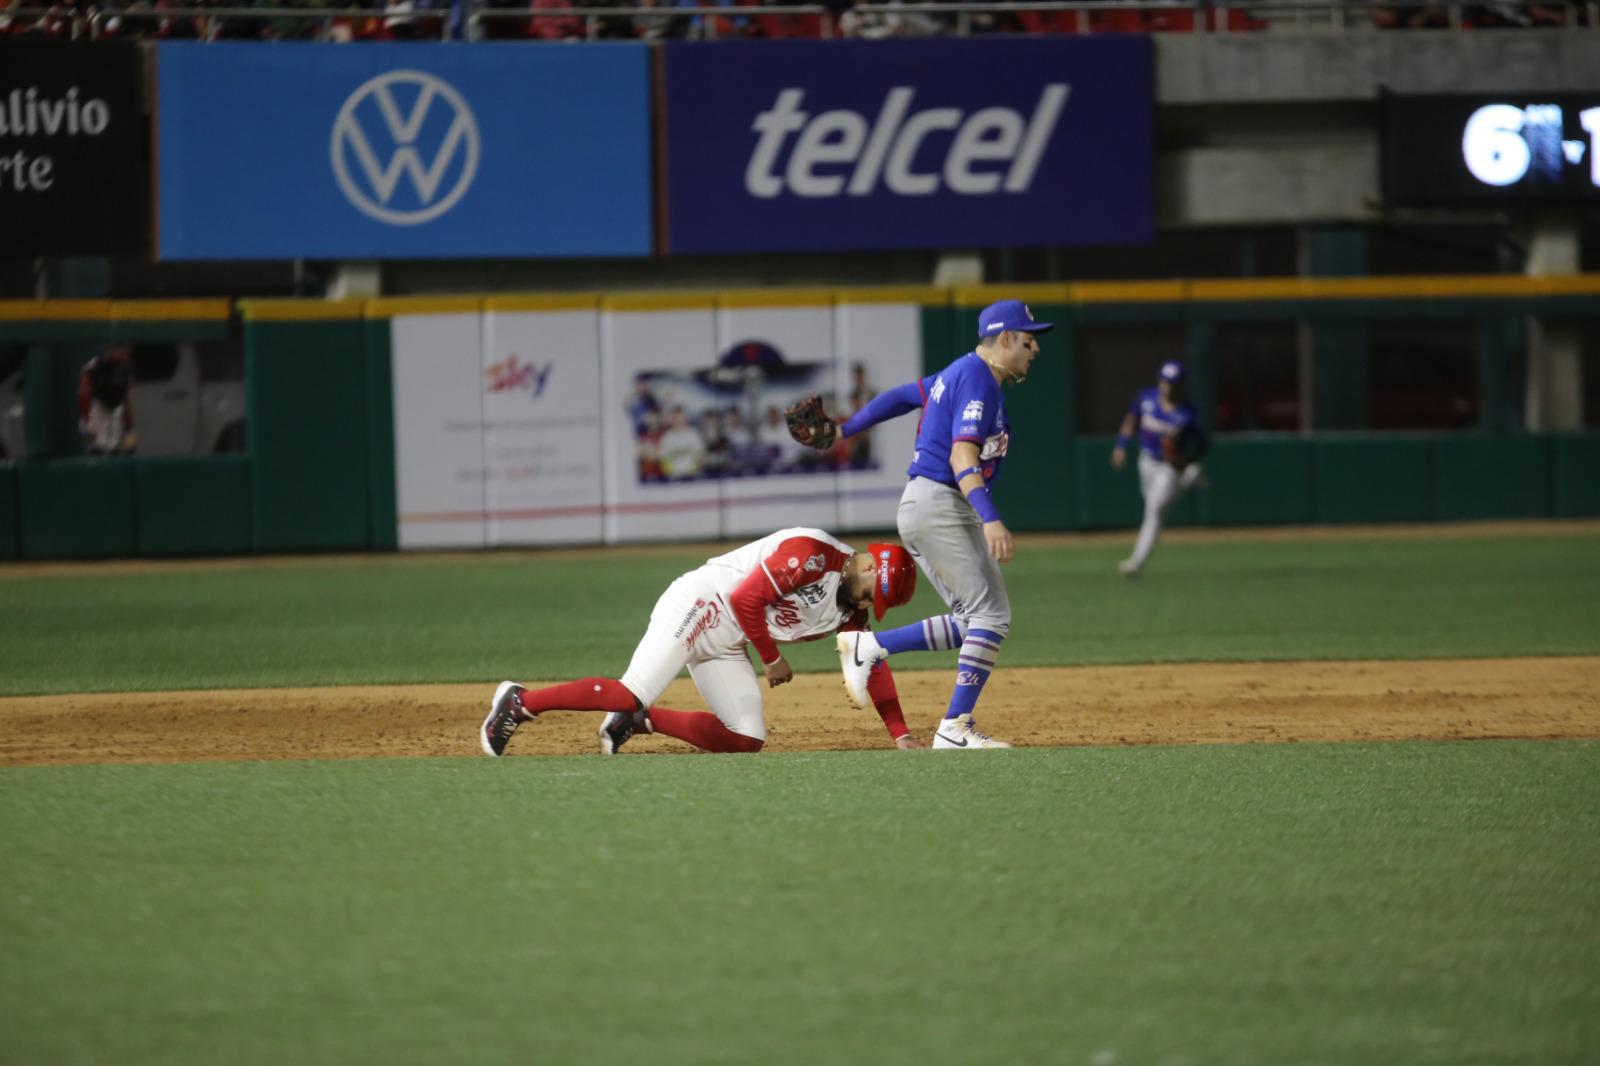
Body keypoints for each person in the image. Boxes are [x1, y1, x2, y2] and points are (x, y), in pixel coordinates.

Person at [792, 299, 1052, 750]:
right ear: (1005, 338)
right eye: (1029, 340)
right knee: (988, 615)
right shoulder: (979, 381)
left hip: (931, 504)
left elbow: (902, 396)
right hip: (940, 503)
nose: (1036, 349)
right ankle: (953, 727)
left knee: (981, 618)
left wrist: (843, 430)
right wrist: (991, 519)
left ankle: (869, 649)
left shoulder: (960, 372)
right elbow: (961, 456)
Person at [480, 529, 924, 757]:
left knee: (746, 737)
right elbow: (744, 598)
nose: (870, 604)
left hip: (729, 642)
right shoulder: (812, 554)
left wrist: (900, 734)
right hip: (702, 603)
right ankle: (520, 701)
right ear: (869, 569)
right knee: (628, 688)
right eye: (874, 593)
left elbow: (872, 663)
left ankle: (637, 721)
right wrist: (770, 659)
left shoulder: (852, 609)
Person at [1110, 360, 1208, 577]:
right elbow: (1131, 419)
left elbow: (1201, 444)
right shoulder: (1146, 398)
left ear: (1182, 385)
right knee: (1152, 505)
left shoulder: (1187, 413)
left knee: (1154, 511)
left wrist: (1185, 459)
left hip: (1168, 467)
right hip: (1146, 461)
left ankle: (1136, 562)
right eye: (1165, 381)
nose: (1168, 386)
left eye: (1173, 383)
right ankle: (1188, 478)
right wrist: (1121, 445)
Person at [77, 347, 137, 456]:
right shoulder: (94, 367)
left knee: (114, 449)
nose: (121, 353)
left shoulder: (126, 367)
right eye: (116, 350)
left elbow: (126, 398)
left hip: (115, 409)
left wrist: (129, 429)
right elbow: (83, 396)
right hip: (97, 409)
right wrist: (86, 424)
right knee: (97, 448)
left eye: (123, 350)